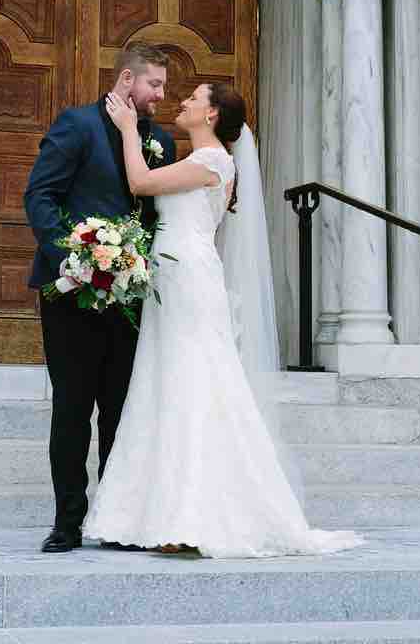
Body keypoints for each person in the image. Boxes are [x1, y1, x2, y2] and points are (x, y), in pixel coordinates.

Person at [83, 81, 362, 559]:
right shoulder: (200, 161)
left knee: (192, 382)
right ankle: (162, 514)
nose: (185, 102)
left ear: (211, 116)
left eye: (194, 98)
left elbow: (141, 184)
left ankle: (194, 515)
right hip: (172, 277)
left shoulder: (212, 162)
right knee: (168, 382)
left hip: (188, 278)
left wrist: (128, 128)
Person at [24, 45, 176, 554]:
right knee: (72, 407)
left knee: (119, 409)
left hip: (130, 297)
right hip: (71, 292)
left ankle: (115, 518)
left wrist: (143, 262)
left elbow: (159, 216)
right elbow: (40, 196)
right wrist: (72, 255)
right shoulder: (77, 125)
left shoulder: (160, 141)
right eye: (155, 85)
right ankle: (68, 520)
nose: (161, 95)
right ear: (127, 79)